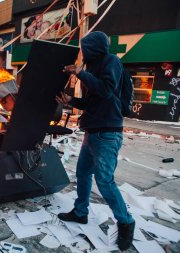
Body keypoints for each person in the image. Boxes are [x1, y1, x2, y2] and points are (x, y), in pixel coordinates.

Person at [56, 31, 135, 251]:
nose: (83, 53)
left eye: (85, 48)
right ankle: (80, 212)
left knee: (105, 180)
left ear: (94, 48)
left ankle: (126, 222)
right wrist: (71, 100)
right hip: (93, 131)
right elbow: (94, 101)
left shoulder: (111, 62)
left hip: (108, 133)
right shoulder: (93, 69)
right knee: (82, 173)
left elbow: (108, 91)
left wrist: (81, 73)